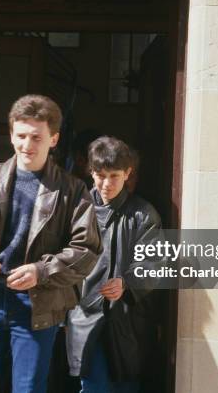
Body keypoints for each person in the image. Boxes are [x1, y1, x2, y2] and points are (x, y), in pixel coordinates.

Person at [0, 94, 103, 393]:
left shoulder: (72, 189)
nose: (27, 145)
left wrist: (41, 271)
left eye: (36, 137)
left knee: (28, 388)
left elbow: (87, 249)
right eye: (21, 136)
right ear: (12, 133)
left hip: (37, 303)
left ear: (53, 139)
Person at [66, 136, 162, 393]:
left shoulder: (144, 214)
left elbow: (153, 263)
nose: (106, 184)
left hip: (126, 321)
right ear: (91, 171)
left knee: (125, 385)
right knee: (93, 384)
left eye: (114, 176)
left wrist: (126, 282)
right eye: (100, 175)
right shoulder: (77, 208)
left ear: (128, 173)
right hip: (85, 313)